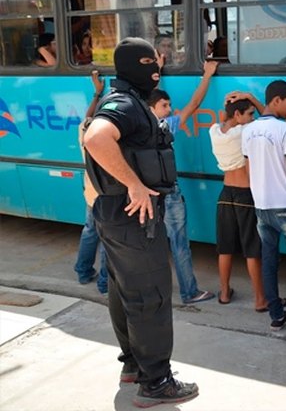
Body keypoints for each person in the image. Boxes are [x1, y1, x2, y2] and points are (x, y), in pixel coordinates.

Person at [83, 37, 198, 407]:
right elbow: (96, 138)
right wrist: (134, 184)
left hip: (120, 214)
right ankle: (156, 382)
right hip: (134, 216)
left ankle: (134, 365)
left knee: (126, 292)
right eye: (148, 63)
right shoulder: (125, 103)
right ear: (131, 66)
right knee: (151, 297)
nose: (156, 71)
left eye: (157, 62)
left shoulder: (129, 99)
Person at [241, 80, 286, 334]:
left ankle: (276, 316)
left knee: (269, 261)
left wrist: (258, 198)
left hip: (263, 207)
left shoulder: (248, 131)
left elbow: (248, 170)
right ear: (276, 100)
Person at [146, 60, 219, 304]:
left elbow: (149, 99)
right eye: (165, 106)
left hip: (146, 194)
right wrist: (207, 75)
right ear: (152, 108)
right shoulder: (166, 127)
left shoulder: (137, 130)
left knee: (146, 245)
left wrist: (157, 73)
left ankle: (123, 286)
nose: (169, 110)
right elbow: (194, 103)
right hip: (169, 194)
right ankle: (189, 292)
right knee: (179, 244)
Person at [209, 92, 269, 312]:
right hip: (245, 195)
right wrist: (250, 97)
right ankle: (260, 299)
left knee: (225, 248)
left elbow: (225, 120)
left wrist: (231, 105)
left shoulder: (214, 131)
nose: (253, 117)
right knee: (252, 249)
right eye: (249, 114)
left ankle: (224, 292)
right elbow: (268, 116)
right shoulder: (245, 132)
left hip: (225, 194)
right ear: (237, 114)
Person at [74, 70, 108, 294]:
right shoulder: (105, 139)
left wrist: (97, 93)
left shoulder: (85, 130)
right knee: (107, 239)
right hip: (105, 194)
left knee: (90, 231)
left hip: (91, 191)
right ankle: (105, 283)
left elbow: (88, 115)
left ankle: (83, 270)